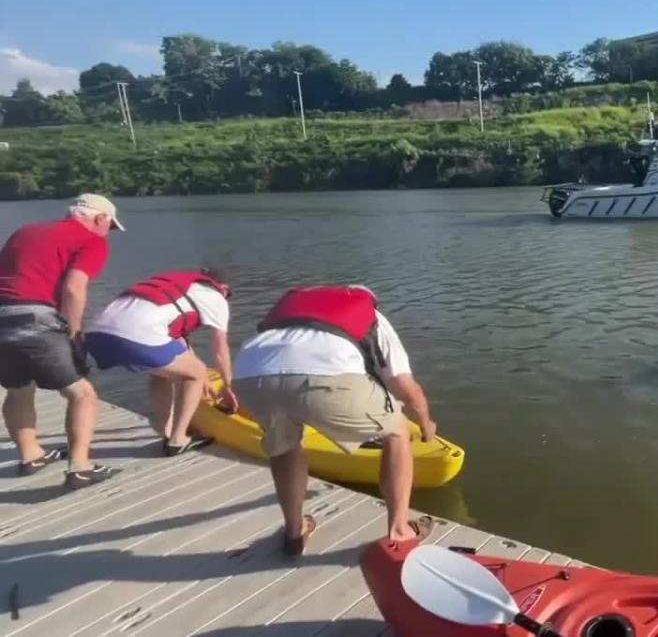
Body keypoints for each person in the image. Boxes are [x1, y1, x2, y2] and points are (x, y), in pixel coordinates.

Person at [231, 284, 436, 557]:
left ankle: (295, 532)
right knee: (397, 431)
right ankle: (400, 531)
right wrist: (425, 420)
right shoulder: (371, 315)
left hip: (249, 375)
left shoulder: (288, 311)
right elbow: (403, 384)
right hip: (322, 378)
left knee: (285, 445)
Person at [0, 194, 124, 489]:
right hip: (35, 319)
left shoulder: (26, 231)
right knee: (82, 394)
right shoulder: (92, 240)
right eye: (111, 226)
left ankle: (30, 455)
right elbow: (74, 288)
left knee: (18, 390)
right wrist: (74, 333)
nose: (110, 233)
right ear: (100, 219)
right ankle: (80, 467)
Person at [85, 268, 238, 456]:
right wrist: (227, 386)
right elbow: (220, 350)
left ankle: (166, 431)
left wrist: (202, 375)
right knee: (195, 373)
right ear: (222, 288)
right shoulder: (216, 298)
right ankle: (178, 439)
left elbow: (179, 346)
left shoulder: (178, 286)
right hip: (135, 334)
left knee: (162, 373)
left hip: (95, 334)